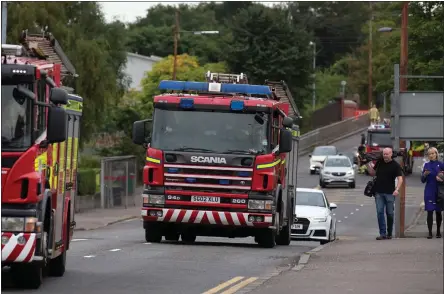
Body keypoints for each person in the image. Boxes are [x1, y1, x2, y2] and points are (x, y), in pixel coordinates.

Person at [367, 147, 403, 240]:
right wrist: (368, 164)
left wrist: (397, 189)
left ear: (391, 154)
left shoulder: (395, 165)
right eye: (384, 154)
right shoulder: (379, 162)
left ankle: (389, 233)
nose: (385, 156)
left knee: (390, 213)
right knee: (379, 212)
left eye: (387, 154)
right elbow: (373, 173)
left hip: (390, 193)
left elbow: (400, 179)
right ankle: (382, 233)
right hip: (378, 192)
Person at [422, 147, 442, 238]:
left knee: (438, 212)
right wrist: (424, 175)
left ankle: (438, 231)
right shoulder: (426, 165)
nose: (431, 155)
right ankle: (430, 233)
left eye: (433, 153)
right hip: (429, 190)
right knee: (429, 211)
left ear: (436, 154)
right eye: (429, 154)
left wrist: (441, 178)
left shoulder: (441, 164)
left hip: (438, 191)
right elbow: (422, 180)